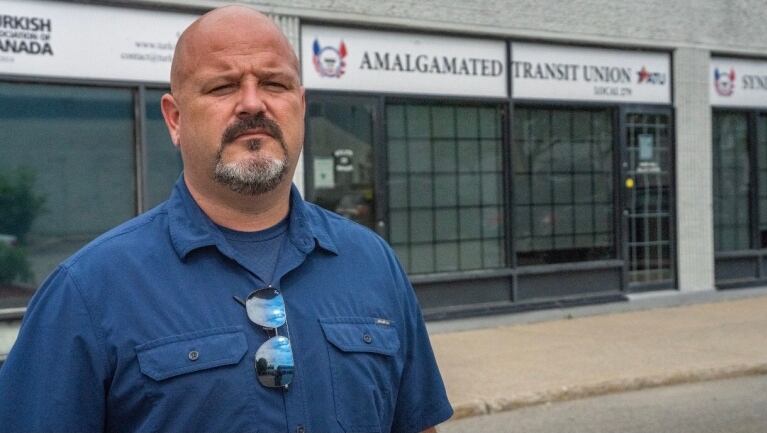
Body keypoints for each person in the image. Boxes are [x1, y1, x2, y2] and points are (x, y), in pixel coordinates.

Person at [0, 6, 452, 433]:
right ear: (175, 119)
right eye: (222, 87)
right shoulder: (87, 291)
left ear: (301, 105)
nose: (253, 104)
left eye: (274, 84)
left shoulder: (372, 263)